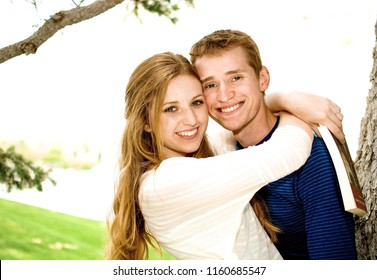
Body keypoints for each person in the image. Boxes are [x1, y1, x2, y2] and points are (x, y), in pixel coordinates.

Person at [106, 51, 347, 260]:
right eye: (171, 109)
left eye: (197, 102)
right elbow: (286, 153)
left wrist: (283, 99)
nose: (191, 120)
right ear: (145, 121)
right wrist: (295, 108)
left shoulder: (197, 158)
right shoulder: (166, 183)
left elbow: (244, 117)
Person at [190, 29, 357, 260]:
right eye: (210, 85)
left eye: (235, 77)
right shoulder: (220, 153)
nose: (224, 95)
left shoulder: (312, 159)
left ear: (263, 79)